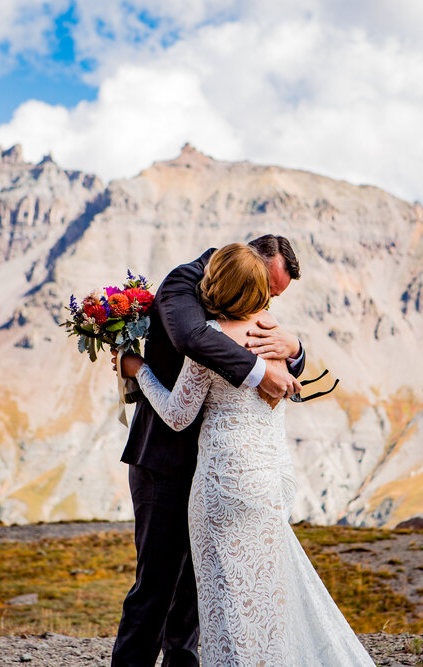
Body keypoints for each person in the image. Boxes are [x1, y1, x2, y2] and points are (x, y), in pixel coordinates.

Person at [118, 243, 374, 666]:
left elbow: (181, 410)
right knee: (179, 592)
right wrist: (274, 361)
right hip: (183, 467)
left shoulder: (261, 332)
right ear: (252, 279)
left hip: (222, 478)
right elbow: (191, 337)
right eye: (267, 290)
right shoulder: (186, 285)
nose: (270, 302)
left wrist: (137, 369)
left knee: (209, 601)